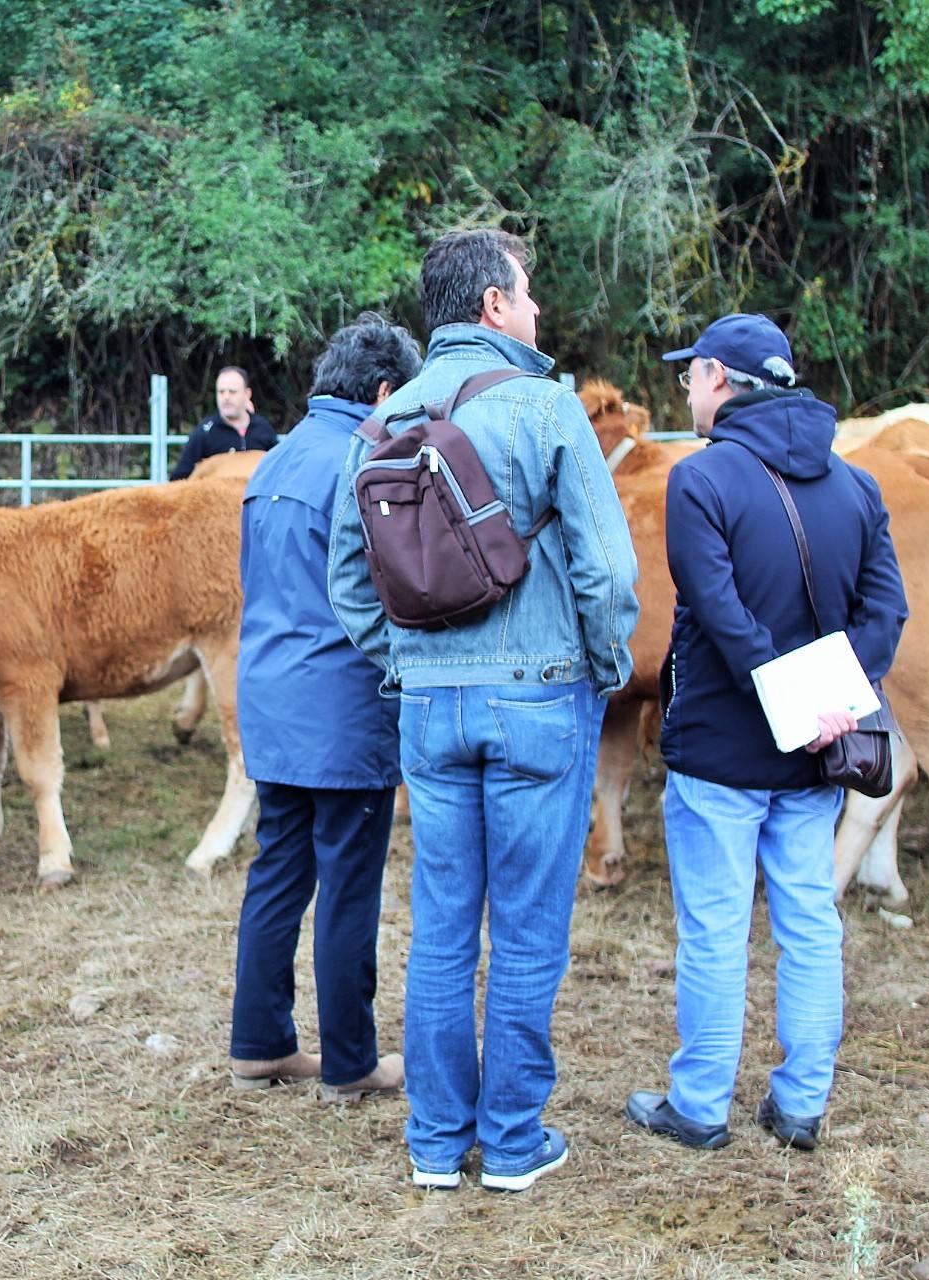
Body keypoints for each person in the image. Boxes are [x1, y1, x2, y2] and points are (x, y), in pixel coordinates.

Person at [327, 229, 639, 1192]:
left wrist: (410, 661)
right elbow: (610, 566)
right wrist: (603, 662)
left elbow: (347, 579)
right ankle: (510, 1142)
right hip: (541, 696)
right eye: (529, 292)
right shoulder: (546, 406)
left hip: (431, 706)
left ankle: (432, 1144)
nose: (537, 308)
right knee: (530, 927)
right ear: (495, 307)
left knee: (442, 924)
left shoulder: (377, 425)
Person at [626, 314, 906, 1152]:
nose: (685, 390)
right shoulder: (857, 486)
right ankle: (801, 1104)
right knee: (811, 920)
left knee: (715, 927)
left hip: (722, 743)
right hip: (820, 751)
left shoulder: (700, 481)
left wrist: (790, 698)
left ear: (719, 377)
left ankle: (702, 1105)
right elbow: (887, 613)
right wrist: (830, 704)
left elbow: (720, 613)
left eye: (690, 375)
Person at [229, 313, 424, 1103]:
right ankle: (350, 1060)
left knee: (278, 871)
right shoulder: (362, 463)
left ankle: (259, 1043)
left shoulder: (269, 464)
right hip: (341, 703)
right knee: (349, 882)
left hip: (271, 697)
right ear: (383, 391)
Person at [170, 366, 278, 479]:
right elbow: (179, 480)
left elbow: (278, 471)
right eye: (221, 392)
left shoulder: (263, 429)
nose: (226, 397)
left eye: (232, 392)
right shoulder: (204, 432)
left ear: (247, 394)